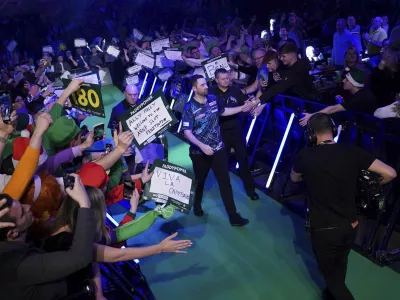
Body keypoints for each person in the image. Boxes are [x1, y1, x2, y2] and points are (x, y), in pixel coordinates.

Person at [291, 113, 396, 300]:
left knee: (333, 279)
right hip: (351, 226)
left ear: (311, 134)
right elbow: (390, 173)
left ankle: (335, 292)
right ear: (333, 130)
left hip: (323, 230)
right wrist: (367, 187)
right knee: (341, 264)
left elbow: (294, 178)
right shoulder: (352, 152)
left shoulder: (304, 155)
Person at [0, 174, 97, 300]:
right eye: (23, 213)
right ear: (12, 234)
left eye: (21, 204)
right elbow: (80, 257)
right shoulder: (21, 266)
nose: (28, 206)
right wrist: (85, 203)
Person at [181, 75, 253, 226]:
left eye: (206, 84)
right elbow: (187, 132)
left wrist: (242, 108)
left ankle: (234, 217)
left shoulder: (213, 99)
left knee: (225, 183)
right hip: (199, 153)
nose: (206, 87)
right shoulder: (189, 107)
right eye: (202, 85)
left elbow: (223, 111)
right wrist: (202, 146)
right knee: (200, 181)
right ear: (194, 88)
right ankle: (197, 205)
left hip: (219, 149)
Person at [209, 68, 259, 201]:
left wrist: (251, 106)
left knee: (243, 161)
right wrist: (243, 108)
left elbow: (245, 105)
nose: (227, 80)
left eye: (228, 78)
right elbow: (221, 111)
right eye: (223, 78)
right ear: (216, 80)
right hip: (220, 132)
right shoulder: (211, 93)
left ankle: (250, 190)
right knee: (221, 164)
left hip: (237, 131)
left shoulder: (236, 90)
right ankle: (225, 192)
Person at [299, 67, 378, 126]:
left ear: (353, 84)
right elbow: (353, 106)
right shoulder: (362, 93)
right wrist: (343, 102)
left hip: (371, 131)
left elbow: (333, 109)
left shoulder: (360, 97)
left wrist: (312, 115)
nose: (343, 81)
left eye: (347, 80)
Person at [250, 41, 315, 108]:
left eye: (283, 56)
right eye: (280, 56)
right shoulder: (284, 69)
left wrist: (258, 102)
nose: (281, 58)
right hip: (298, 104)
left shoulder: (297, 69)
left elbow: (278, 88)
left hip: (309, 104)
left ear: (292, 55)